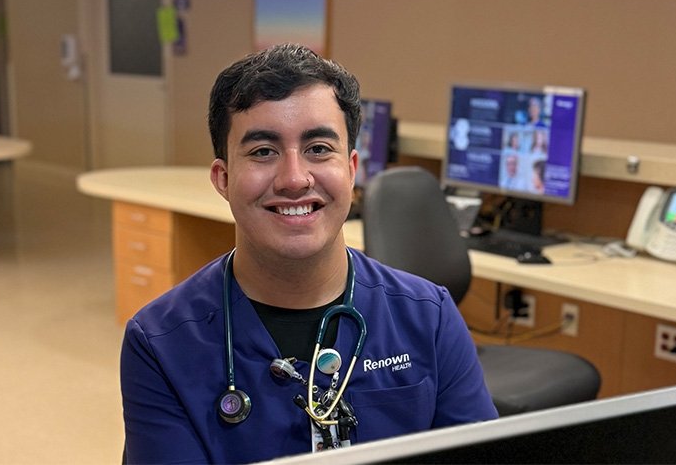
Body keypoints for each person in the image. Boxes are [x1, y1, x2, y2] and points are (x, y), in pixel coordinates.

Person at [120, 44, 497, 464]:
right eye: (263, 151)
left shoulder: (430, 317)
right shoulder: (159, 344)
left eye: (318, 148)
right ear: (223, 178)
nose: (295, 179)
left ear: (352, 169)